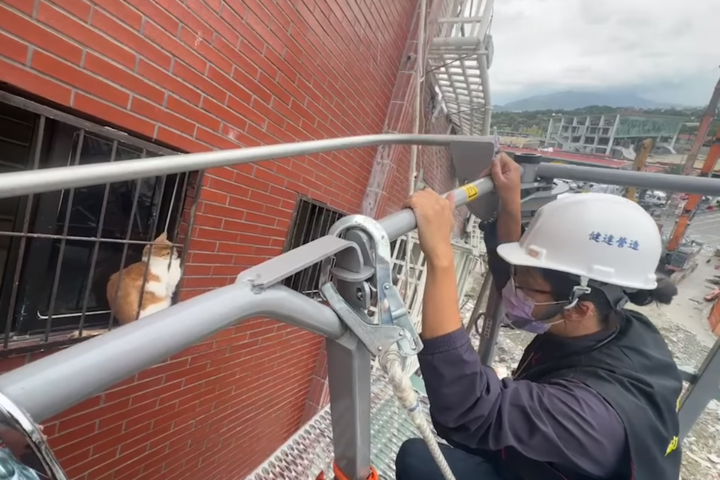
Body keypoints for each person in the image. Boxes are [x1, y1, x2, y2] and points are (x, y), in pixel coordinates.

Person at [395, 153, 683, 480]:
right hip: (552, 464)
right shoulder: (615, 325)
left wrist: (440, 257)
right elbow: (521, 278)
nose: (514, 293)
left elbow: (466, 409)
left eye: (527, 288)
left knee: (419, 462)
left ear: (579, 308)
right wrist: (509, 202)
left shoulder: (589, 416)